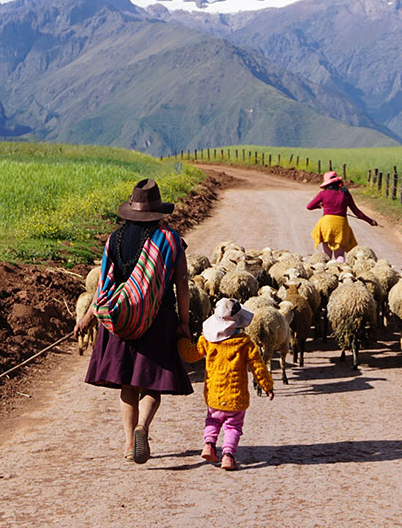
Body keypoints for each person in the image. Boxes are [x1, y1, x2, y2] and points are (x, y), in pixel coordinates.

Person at [76, 179, 193, 464]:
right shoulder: (171, 241)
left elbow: (103, 284)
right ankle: (144, 427)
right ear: (157, 211)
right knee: (151, 384)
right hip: (159, 317)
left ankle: (129, 444)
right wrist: (185, 323)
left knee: (127, 385)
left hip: (120, 320)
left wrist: (88, 318)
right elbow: (182, 283)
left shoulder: (114, 239)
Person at [178, 298, 274, 471]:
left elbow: (191, 355)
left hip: (214, 394)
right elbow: (258, 366)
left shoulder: (207, 340)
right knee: (233, 426)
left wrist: (180, 341)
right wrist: (267, 385)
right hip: (236, 396)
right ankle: (228, 455)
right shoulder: (245, 343)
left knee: (212, 420)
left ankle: (209, 444)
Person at [306, 170, 377, 263]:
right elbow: (356, 212)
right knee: (339, 254)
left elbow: (309, 206)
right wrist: (370, 221)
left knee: (326, 255)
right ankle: (341, 272)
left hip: (326, 224)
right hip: (341, 225)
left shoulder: (323, 194)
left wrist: (319, 206)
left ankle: (326, 272)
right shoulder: (345, 194)